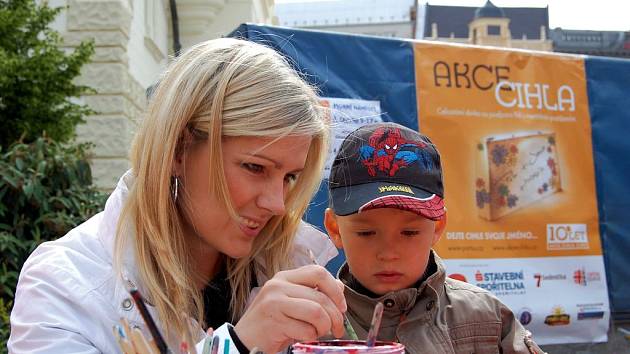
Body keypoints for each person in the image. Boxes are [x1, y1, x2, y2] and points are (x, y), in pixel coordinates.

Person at [9, 38, 347, 354]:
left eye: (289, 177)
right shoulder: (63, 283)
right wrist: (236, 346)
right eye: (255, 168)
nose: (277, 203)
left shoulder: (293, 262)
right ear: (178, 150)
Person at [323, 122, 545, 353]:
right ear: (335, 229)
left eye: (409, 233)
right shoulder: (311, 324)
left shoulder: (486, 316)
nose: (388, 254)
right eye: (366, 233)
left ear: (438, 227)